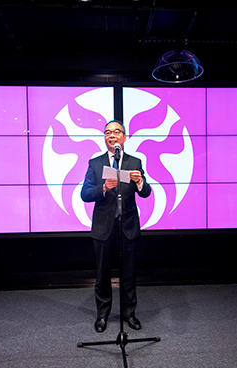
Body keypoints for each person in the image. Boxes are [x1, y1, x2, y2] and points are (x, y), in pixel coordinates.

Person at [81, 120, 152, 333]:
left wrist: (140, 183)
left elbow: (146, 192)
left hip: (127, 226)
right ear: (104, 137)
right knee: (103, 274)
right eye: (107, 132)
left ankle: (129, 314)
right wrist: (103, 187)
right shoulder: (95, 163)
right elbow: (85, 194)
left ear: (124, 136)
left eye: (116, 132)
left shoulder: (135, 162)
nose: (112, 135)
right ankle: (102, 315)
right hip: (103, 227)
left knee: (129, 273)